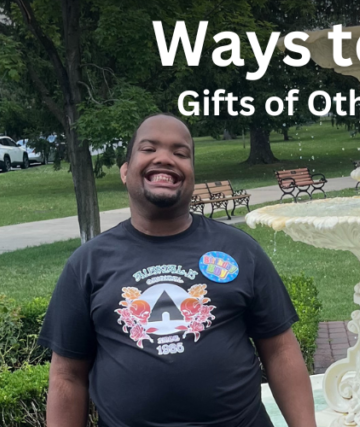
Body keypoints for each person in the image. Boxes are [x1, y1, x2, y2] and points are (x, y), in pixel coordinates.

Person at [39, 113, 316, 427]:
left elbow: (280, 350)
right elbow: (67, 376)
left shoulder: (239, 251)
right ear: (125, 171)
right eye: (148, 149)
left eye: (180, 153)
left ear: (191, 174)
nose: (165, 159)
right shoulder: (87, 263)